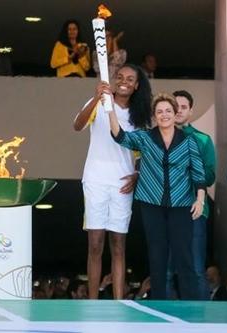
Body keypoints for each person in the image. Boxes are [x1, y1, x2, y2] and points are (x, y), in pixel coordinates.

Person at [109, 92, 206, 300]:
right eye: (160, 111)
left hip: (181, 204)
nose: (164, 115)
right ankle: (159, 302)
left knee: (184, 255)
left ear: (175, 113)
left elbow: (198, 173)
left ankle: (191, 303)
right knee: (157, 254)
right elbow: (120, 136)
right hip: (151, 204)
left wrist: (200, 199)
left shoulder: (189, 141)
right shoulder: (145, 138)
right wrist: (110, 110)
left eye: (168, 111)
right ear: (154, 115)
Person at [73, 64, 151, 299]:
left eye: (130, 79)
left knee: (118, 245)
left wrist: (137, 175)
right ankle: (93, 301)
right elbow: (77, 125)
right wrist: (97, 97)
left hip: (122, 182)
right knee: (95, 244)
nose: (124, 81)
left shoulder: (140, 116)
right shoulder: (99, 102)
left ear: (137, 85)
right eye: (120, 77)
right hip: (96, 179)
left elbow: (143, 152)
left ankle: (118, 302)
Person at [165, 90, 216, 300]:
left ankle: (199, 324)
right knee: (165, 272)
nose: (179, 110)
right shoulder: (157, 138)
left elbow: (211, 175)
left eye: (183, 107)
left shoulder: (202, 139)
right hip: (165, 211)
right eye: (175, 106)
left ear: (191, 111)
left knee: (195, 269)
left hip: (195, 210)